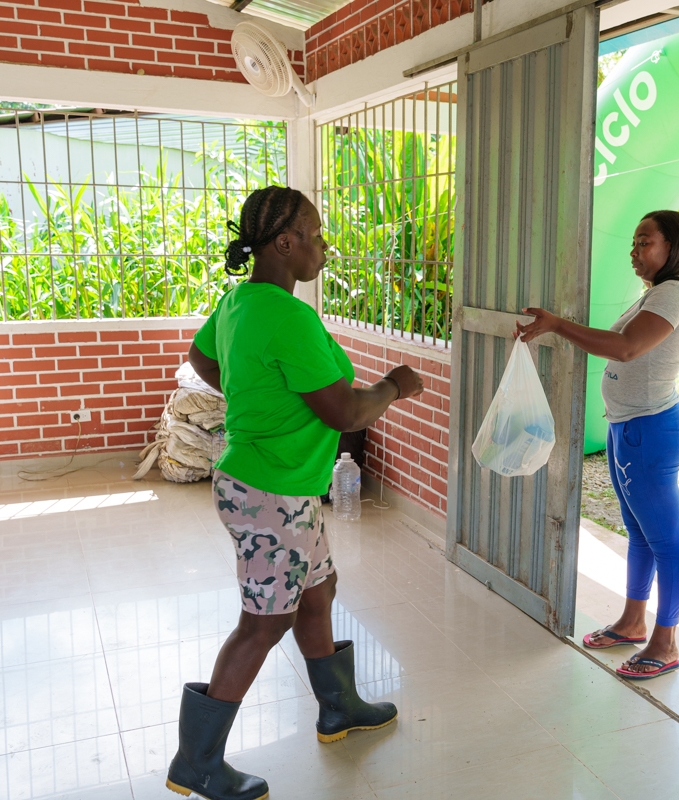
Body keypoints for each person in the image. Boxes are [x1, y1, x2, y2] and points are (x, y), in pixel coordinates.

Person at [166, 185, 424, 800]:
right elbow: (345, 412)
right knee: (263, 622)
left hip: (286, 487)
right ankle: (195, 763)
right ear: (285, 243)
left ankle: (338, 709)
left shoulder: (238, 303)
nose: (325, 247)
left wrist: (257, 391)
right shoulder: (287, 316)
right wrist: (395, 385)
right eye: (316, 234)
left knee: (319, 589)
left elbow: (204, 361)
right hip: (269, 490)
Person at [515, 209, 679, 680]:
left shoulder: (672, 293)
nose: (634, 251)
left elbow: (625, 348)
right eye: (634, 242)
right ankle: (632, 621)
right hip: (631, 426)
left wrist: (558, 325)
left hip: (650, 431)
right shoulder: (658, 293)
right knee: (640, 532)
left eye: (645, 242)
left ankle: (664, 643)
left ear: (674, 247)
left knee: (666, 539)